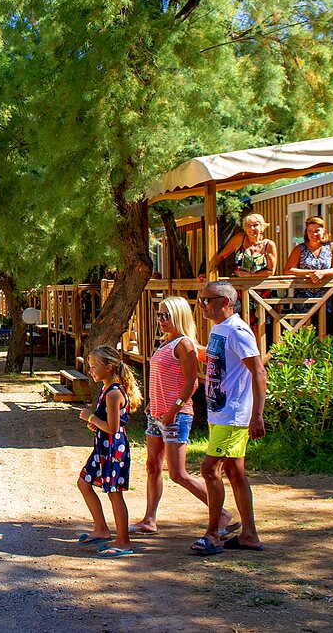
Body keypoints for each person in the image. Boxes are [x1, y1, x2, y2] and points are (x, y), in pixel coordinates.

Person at [132, 296, 235, 537]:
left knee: (177, 473)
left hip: (176, 416)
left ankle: (221, 512)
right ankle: (149, 519)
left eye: (166, 315)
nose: (161, 320)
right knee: (152, 466)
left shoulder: (184, 344)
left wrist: (173, 410)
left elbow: (192, 383)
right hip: (156, 414)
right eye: (159, 315)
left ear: (179, 316)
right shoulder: (166, 342)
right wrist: (153, 405)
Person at [191, 281, 267, 555]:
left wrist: (257, 414)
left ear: (225, 302)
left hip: (234, 414)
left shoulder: (238, 331)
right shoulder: (218, 330)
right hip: (218, 411)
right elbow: (217, 363)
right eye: (200, 300)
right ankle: (249, 534)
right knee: (235, 472)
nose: (202, 305)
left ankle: (212, 534)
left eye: (206, 300)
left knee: (209, 469)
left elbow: (258, 372)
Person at [76, 344, 142, 557]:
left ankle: (124, 542)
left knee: (115, 493)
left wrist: (91, 417)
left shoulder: (114, 393)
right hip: (102, 447)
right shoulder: (106, 389)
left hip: (113, 448)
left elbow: (113, 429)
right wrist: (96, 422)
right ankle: (101, 529)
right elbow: (108, 422)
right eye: (90, 366)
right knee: (84, 482)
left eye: (95, 366)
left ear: (110, 367)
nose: (91, 370)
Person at [284, 216, 333, 307]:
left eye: (317, 231)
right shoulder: (299, 249)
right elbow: (288, 270)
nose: (314, 234)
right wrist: (310, 272)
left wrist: (322, 273)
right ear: (306, 233)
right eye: (310, 231)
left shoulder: (331, 246)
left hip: (326, 297)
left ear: (324, 231)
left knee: (328, 320)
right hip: (304, 298)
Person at [203, 212, 278, 279]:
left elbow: (271, 271)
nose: (252, 228)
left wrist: (250, 275)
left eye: (255, 225)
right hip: (239, 287)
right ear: (245, 228)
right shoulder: (239, 239)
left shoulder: (269, 245)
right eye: (248, 225)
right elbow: (222, 256)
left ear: (262, 227)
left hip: (261, 289)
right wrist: (206, 273)